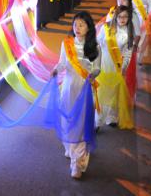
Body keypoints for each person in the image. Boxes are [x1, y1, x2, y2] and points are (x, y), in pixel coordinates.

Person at [52, 11, 101, 179]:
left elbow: (97, 68)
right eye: (75, 24)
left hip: (84, 89)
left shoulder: (95, 46)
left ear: (89, 28)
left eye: (81, 25)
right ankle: (70, 148)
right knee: (67, 119)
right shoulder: (67, 44)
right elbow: (62, 63)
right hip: (68, 88)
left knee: (80, 124)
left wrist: (92, 74)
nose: (77, 28)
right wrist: (55, 70)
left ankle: (77, 164)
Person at [96, 6, 136, 129]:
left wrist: (124, 67)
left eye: (125, 17)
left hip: (116, 66)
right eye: (120, 16)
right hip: (103, 63)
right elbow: (98, 44)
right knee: (101, 92)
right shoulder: (106, 28)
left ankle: (112, 117)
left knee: (114, 91)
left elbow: (128, 52)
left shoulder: (129, 32)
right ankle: (98, 120)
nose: (122, 19)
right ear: (115, 17)